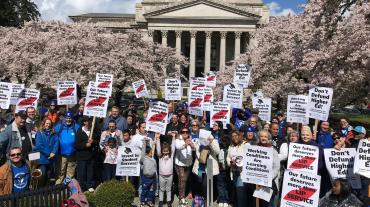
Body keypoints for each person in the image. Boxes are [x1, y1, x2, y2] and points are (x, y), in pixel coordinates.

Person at [191, 131, 220, 206]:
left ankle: (208, 202)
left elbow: (217, 152)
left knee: (207, 184)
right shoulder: (199, 142)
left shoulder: (214, 141)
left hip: (210, 165)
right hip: (200, 165)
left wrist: (211, 142)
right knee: (199, 181)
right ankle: (201, 201)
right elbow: (197, 153)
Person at [256, 130, 280, 207]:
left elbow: (276, 168)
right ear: (259, 138)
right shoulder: (254, 149)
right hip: (257, 181)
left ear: (268, 138)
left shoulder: (273, 150)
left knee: (269, 203)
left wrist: (267, 177)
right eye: (261, 136)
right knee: (261, 203)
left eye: (265, 136)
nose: (263, 138)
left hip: (269, 182)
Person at [55, 111, 80, 184]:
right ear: (64, 118)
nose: (68, 120)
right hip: (61, 153)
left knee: (71, 169)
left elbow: (81, 136)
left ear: (72, 119)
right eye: (67, 118)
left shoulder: (76, 126)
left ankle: (68, 183)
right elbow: (53, 137)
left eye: (70, 118)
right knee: (61, 169)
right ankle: (59, 183)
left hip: (72, 153)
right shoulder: (59, 126)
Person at [227, 131, 251, 207]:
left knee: (241, 192)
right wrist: (230, 163)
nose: (234, 137)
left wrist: (237, 163)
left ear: (239, 136)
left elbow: (249, 157)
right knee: (238, 192)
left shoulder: (246, 144)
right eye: (233, 136)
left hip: (242, 172)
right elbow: (228, 157)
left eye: (236, 135)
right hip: (234, 171)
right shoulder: (231, 146)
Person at [75, 116, 96, 191]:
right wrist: (85, 145)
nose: (90, 122)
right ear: (85, 122)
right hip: (82, 156)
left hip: (90, 156)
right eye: (88, 121)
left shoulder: (93, 130)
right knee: (81, 172)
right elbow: (77, 145)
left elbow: (97, 141)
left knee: (90, 171)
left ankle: (89, 185)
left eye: (91, 121)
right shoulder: (79, 131)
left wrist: (93, 142)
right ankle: (81, 186)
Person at [35, 118, 58, 186]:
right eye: (46, 123)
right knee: (42, 175)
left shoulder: (54, 133)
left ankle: (47, 190)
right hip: (43, 159)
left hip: (52, 158)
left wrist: (53, 152)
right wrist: (49, 153)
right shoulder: (40, 133)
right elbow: (39, 146)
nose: (48, 125)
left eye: (49, 123)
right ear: (44, 124)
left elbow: (56, 143)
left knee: (49, 175)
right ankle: (40, 190)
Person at [175, 127, 194, 206]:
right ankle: (181, 198)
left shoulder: (190, 139)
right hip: (180, 164)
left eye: (187, 132)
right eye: (183, 132)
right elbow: (178, 147)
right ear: (181, 133)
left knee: (184, 180)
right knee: (181, 180)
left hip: (188, 164)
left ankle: (182, 195)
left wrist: (191, 144)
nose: (185, 133)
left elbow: (194, 149)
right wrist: (186, 144)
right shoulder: (177, 140)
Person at [155, 133, 175, 207]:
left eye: (167, 151)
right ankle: (161, 201)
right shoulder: (160, 157)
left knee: (169, 189)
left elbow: (173, 147)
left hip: (170, 175)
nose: (165, 152)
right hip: (161, 176)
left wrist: (173, 138)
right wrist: (158, 139)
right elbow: (158, 148)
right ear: (162, 151)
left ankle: (169, 202)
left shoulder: (171, 156)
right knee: (162, 189)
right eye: (164, 151)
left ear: (169, 151)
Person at [140, 138, 157, 207]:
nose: (151, 153)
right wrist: (144, 142)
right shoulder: (144, 158)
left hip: (152, 178)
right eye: (150, 152)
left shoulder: (153, 159)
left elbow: (152, 149)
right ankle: (142, 201)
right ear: (146, 153)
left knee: (151, 191)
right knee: (144, 191)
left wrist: (154, 143)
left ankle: (149, 201)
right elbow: (143, 151)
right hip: (145, 178)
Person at [217, 134, 230, 207]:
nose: (224, 142)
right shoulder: (219, 148)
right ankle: (221, 199)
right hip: (220, 170)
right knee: (220, 185)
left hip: (227, 170)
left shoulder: (229, 148)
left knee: (227, 185)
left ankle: (226, 200)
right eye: (223, 140)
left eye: (226, 141)